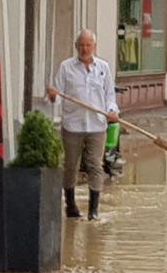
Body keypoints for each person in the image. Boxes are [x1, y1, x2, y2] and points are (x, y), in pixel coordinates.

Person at [46, 28, 118, 221]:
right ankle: (70, 204)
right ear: (76, 47)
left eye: (88, 45)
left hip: (97, 125)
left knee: (95, 165)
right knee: (71, 166)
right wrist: (53, 97)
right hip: (73, 125)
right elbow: (58, 94)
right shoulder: (66, 67)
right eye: (81, 45)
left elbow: (109, 95)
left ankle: (93, 211)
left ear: (94, 46)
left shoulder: (103, 68)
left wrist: (112, 111)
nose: (85, 49)